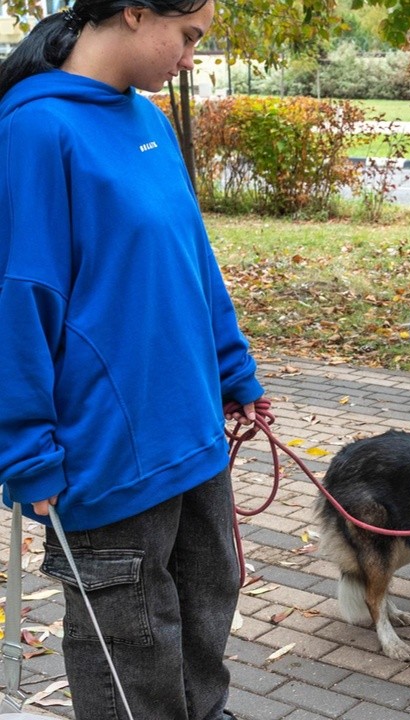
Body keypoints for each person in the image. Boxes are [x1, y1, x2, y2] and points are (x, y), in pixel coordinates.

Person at [0, 3, 264, 719]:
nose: (188, 59)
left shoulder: (149, 120)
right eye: (187, 38)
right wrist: (25, 448)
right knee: (133, 647)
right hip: (107, 452)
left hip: (193, 433)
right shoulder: (34, 128)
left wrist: (233, 367)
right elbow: (19, 299)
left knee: (210, 605)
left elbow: (191, 259)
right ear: (134, 11)